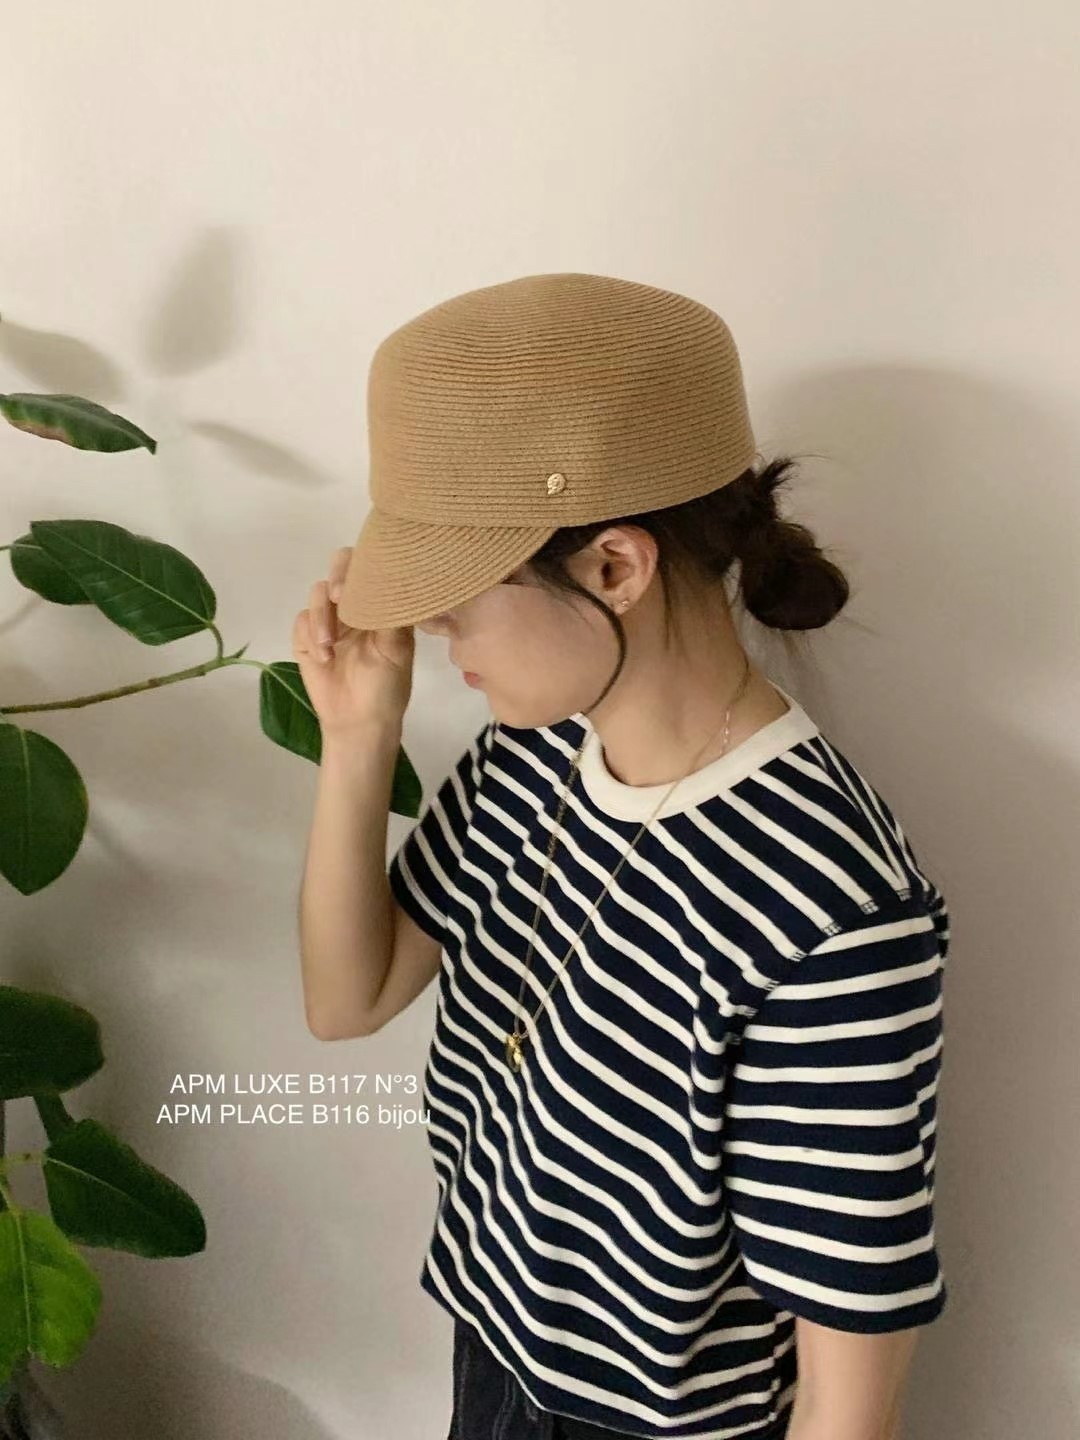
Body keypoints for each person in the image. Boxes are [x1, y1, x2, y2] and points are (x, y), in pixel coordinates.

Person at [294, 273, 951, 1440]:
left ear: (614, 567)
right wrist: (357, 737)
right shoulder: (535, 754)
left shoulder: (826, 900)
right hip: (494, 1355)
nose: (433, 629)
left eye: (459, 594)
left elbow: (851, 1375)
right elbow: (349, 999)